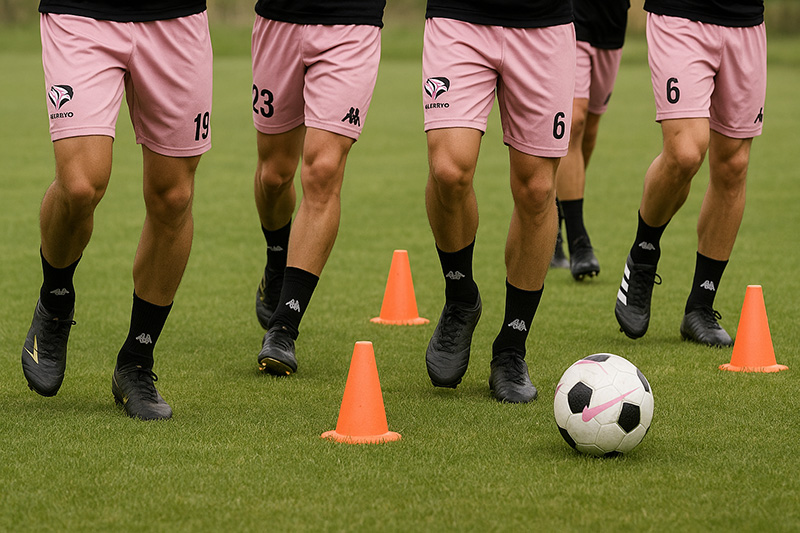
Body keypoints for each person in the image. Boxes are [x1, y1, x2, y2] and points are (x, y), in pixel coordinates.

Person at [21, 1, 212, 420]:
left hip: (175, 19)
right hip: (81, 11)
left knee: (173, 196)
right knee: (81, 185)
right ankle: (55, 299)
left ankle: (136, 361)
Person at [421, 0, 575, 402]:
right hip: (459, 15)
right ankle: (460, 298)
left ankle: (511, 346)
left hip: (545, 24)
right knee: (448, 171)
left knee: (537, 189)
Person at [614, 0, 766, 346]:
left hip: (746, 23)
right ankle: (644, 252)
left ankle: (700, 305)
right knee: (685, 153)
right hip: (680, 12)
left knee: (734, 165)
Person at [252, 0, 385, 375]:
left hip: (352, 22)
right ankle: (277, 260)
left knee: (323, 171)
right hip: (280, 18)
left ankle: (284, 326)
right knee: (274, 175)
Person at [552, 0, 630, 281]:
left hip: (612, 21)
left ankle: (554, 219)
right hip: (572, 16)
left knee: (590, 126)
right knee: (575, 122)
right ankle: (578, 241)